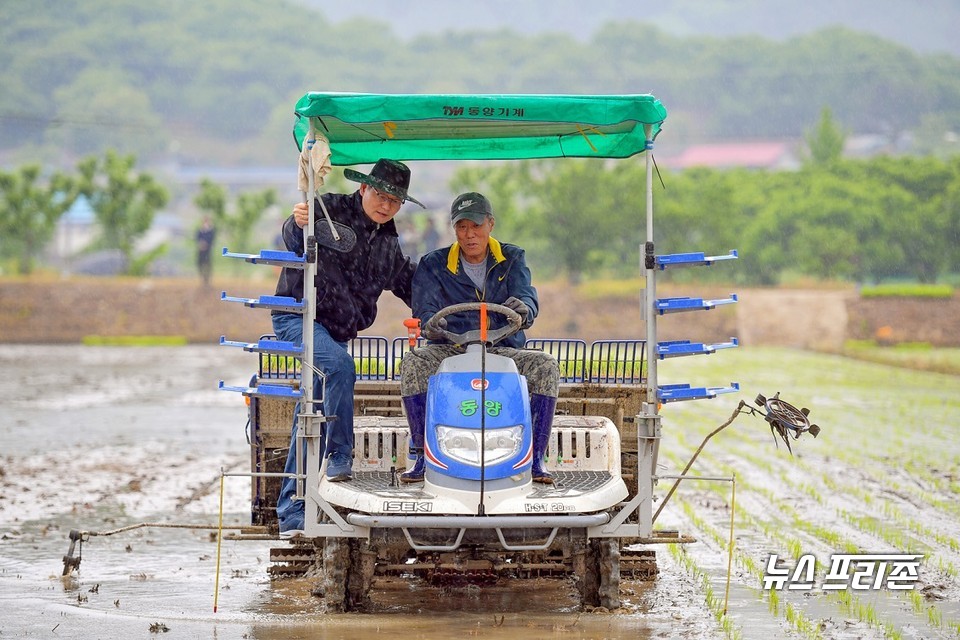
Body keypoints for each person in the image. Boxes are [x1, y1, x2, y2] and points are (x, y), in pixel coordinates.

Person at [272, 158, 423, 537]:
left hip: (337, 331)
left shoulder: (389, 244)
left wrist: (449, 308)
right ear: (363, 188)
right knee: (340, 368)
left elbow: (411, 286)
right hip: (299, 317)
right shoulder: (328, 208)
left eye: (395, 200)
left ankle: (292, 510)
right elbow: (294, 239)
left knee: (310, 413)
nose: (386, 204)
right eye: (380, 194)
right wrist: (298, 220)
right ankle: (341, 454)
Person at [399, 192, 560, 484]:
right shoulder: (433, 264)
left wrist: (525, 309)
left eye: (475, 226)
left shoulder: (512, 258)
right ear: (454, 228)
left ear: (490, 224)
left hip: (502, 350)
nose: (469, 234)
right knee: (414, 362)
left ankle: (535, 460)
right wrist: (432, 325)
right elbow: (424, 310)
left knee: (546, 365)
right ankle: (423, 455)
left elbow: (526, 296)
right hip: (451, 351)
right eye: (462, 227)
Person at [195, 217, 216, 286]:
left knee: (207, 264)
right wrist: (200, 244)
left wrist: (206, 245)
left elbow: (212, 240)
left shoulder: (211, 231)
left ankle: (207, 279)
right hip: (201, 251)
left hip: (207, 251)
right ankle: (202, 277)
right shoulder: (200, 231)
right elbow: (197, 239)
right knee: (200, 264)